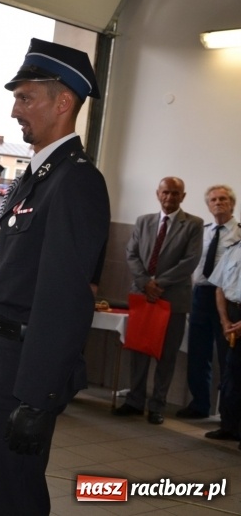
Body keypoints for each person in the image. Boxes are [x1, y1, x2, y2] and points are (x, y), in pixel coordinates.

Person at [0, 38, 110, 515]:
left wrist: (37, 398)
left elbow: (64, 299)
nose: (14, 110)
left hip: (19, 374)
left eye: (25, 97)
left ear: (63, 102)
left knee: (13, 499)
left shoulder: (76, 181)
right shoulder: (38, 175)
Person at [114, 177, 202, 425]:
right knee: (139, 350)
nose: (170, 197)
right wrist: (145, 282)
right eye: (166, 192)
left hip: (172, 299)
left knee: (166, 355)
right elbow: (131, 253)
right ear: (158, 194)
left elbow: (190, 261)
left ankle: (157, 406)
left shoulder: (193, 224)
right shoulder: (144, 221)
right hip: (143, 296)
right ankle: (134, 400)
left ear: (183, 196)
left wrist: (159, 283)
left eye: (175, 193)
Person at [177, 185, 241, 419]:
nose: (218, 203)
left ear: (232, 203)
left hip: (228, 298)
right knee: (198, 353)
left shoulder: (239, 233)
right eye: (213, 199)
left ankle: (228, 414)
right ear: (207, 205)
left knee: (228, 357)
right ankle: (199, 404)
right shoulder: (202, 231)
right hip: (201, 295)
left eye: (223, 198)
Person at [204, 239, 241, 442]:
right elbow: (219, 288)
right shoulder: (232, 250)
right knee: (230, 375)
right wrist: (224, 319)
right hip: (231, 314)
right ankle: (229, 426)